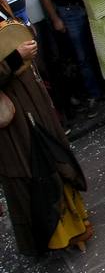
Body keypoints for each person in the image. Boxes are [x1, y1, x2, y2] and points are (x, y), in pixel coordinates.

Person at [0, 25, 93, 256]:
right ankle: (60, 234)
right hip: (14, 114)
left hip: (31, 96)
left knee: (51, 153)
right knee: (37, 164)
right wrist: (15, 58)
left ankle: (75, 222)